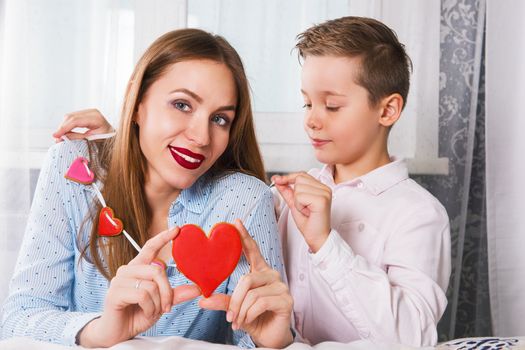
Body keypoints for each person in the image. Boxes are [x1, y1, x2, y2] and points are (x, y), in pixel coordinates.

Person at [52, 16, 451, 347]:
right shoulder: (283, 196)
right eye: (307, 102)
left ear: (389, 109)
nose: (312, 119)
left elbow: (412, 338)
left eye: (331, 105)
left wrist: (326, 245)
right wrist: (121, 146)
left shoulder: (417, 214)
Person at [0, 28, 293, 349]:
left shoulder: (244, 198)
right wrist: (102, 331)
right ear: (136, 102)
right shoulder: (73, 165)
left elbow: (253, 335)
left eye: (220, 119)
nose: (201, 137)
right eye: (182, 105)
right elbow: (19, 319)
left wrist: (272, 341)